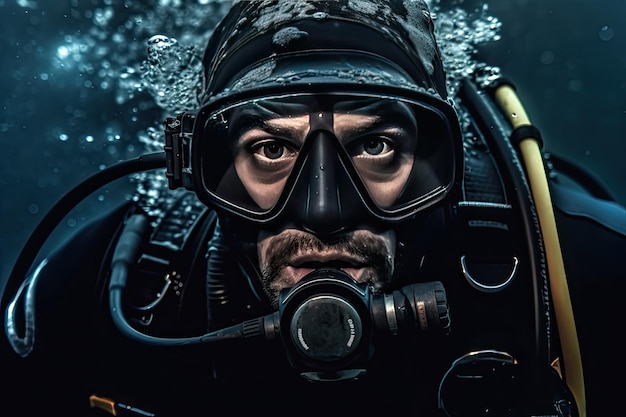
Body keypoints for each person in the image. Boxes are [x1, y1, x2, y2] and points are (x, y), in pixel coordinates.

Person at [2, 1, 625, 416]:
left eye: (376, 145)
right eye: (271, 149)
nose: (323, 213)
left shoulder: (585, 276)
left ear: (441, 164)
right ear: (204, 169)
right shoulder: (94, 295)